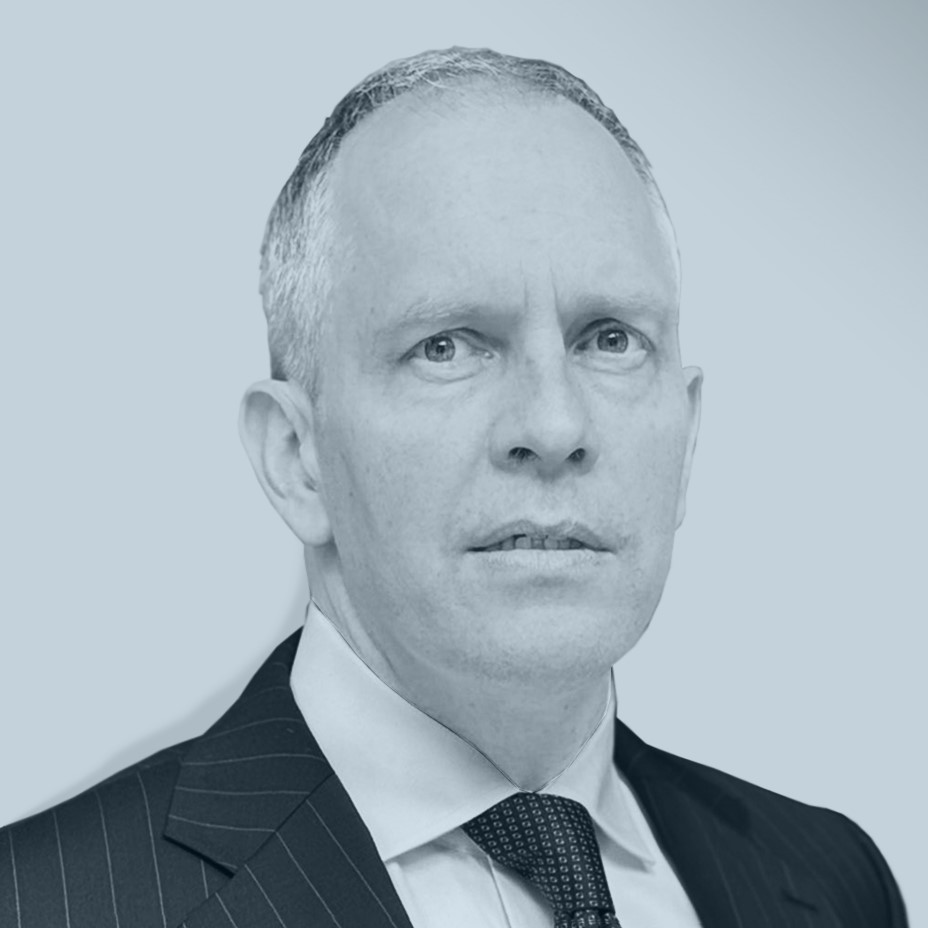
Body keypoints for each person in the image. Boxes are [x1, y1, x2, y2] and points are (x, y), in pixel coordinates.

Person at [0, 46, 907, 928]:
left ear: (688, 432)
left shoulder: (829, 882)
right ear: (296, 457)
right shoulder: (44, 905)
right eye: (447, 346)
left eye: (610, 339)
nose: (554, 425)